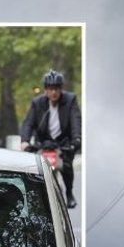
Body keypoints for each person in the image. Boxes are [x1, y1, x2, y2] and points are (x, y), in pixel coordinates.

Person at [20, 70, 82, 208]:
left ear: (61, 89)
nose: (53, 92)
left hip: (63, 143)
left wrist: (76, 139)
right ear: (45, 90)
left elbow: (75, 121)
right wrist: (25, 141)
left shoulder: (70, 100)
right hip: (43, 143)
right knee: (36, 169)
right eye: (50, 89)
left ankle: (69, 193)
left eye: (56, 89)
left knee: (66, 166)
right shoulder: (37, 103)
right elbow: (28, 123)